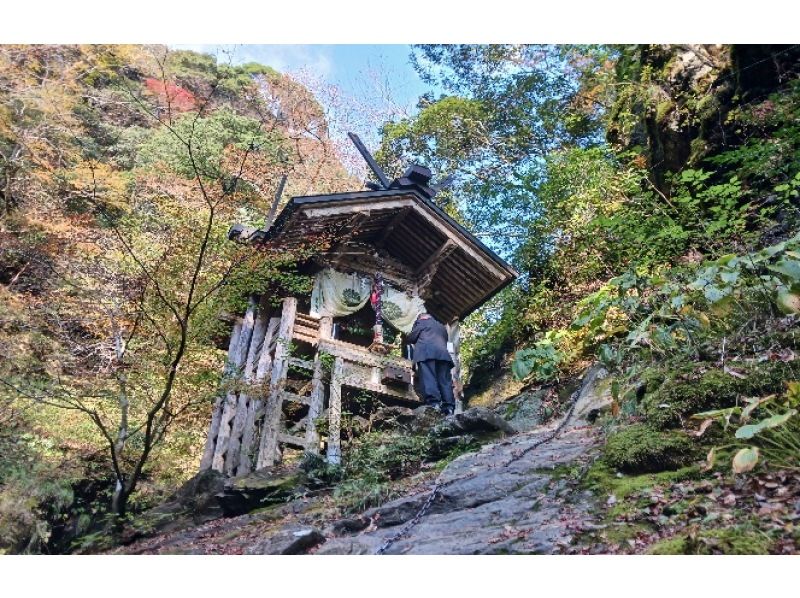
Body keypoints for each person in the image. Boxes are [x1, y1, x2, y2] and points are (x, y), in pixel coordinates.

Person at [406, 312, 456, 416]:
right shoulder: (442, 327)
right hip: (443, 356)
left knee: (429, 378)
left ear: (421, 318)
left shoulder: (422, 323)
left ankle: (434, 404)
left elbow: (411, 338)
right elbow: (445, 340)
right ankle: (449, 407)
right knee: (445, 382)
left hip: (426, 353)